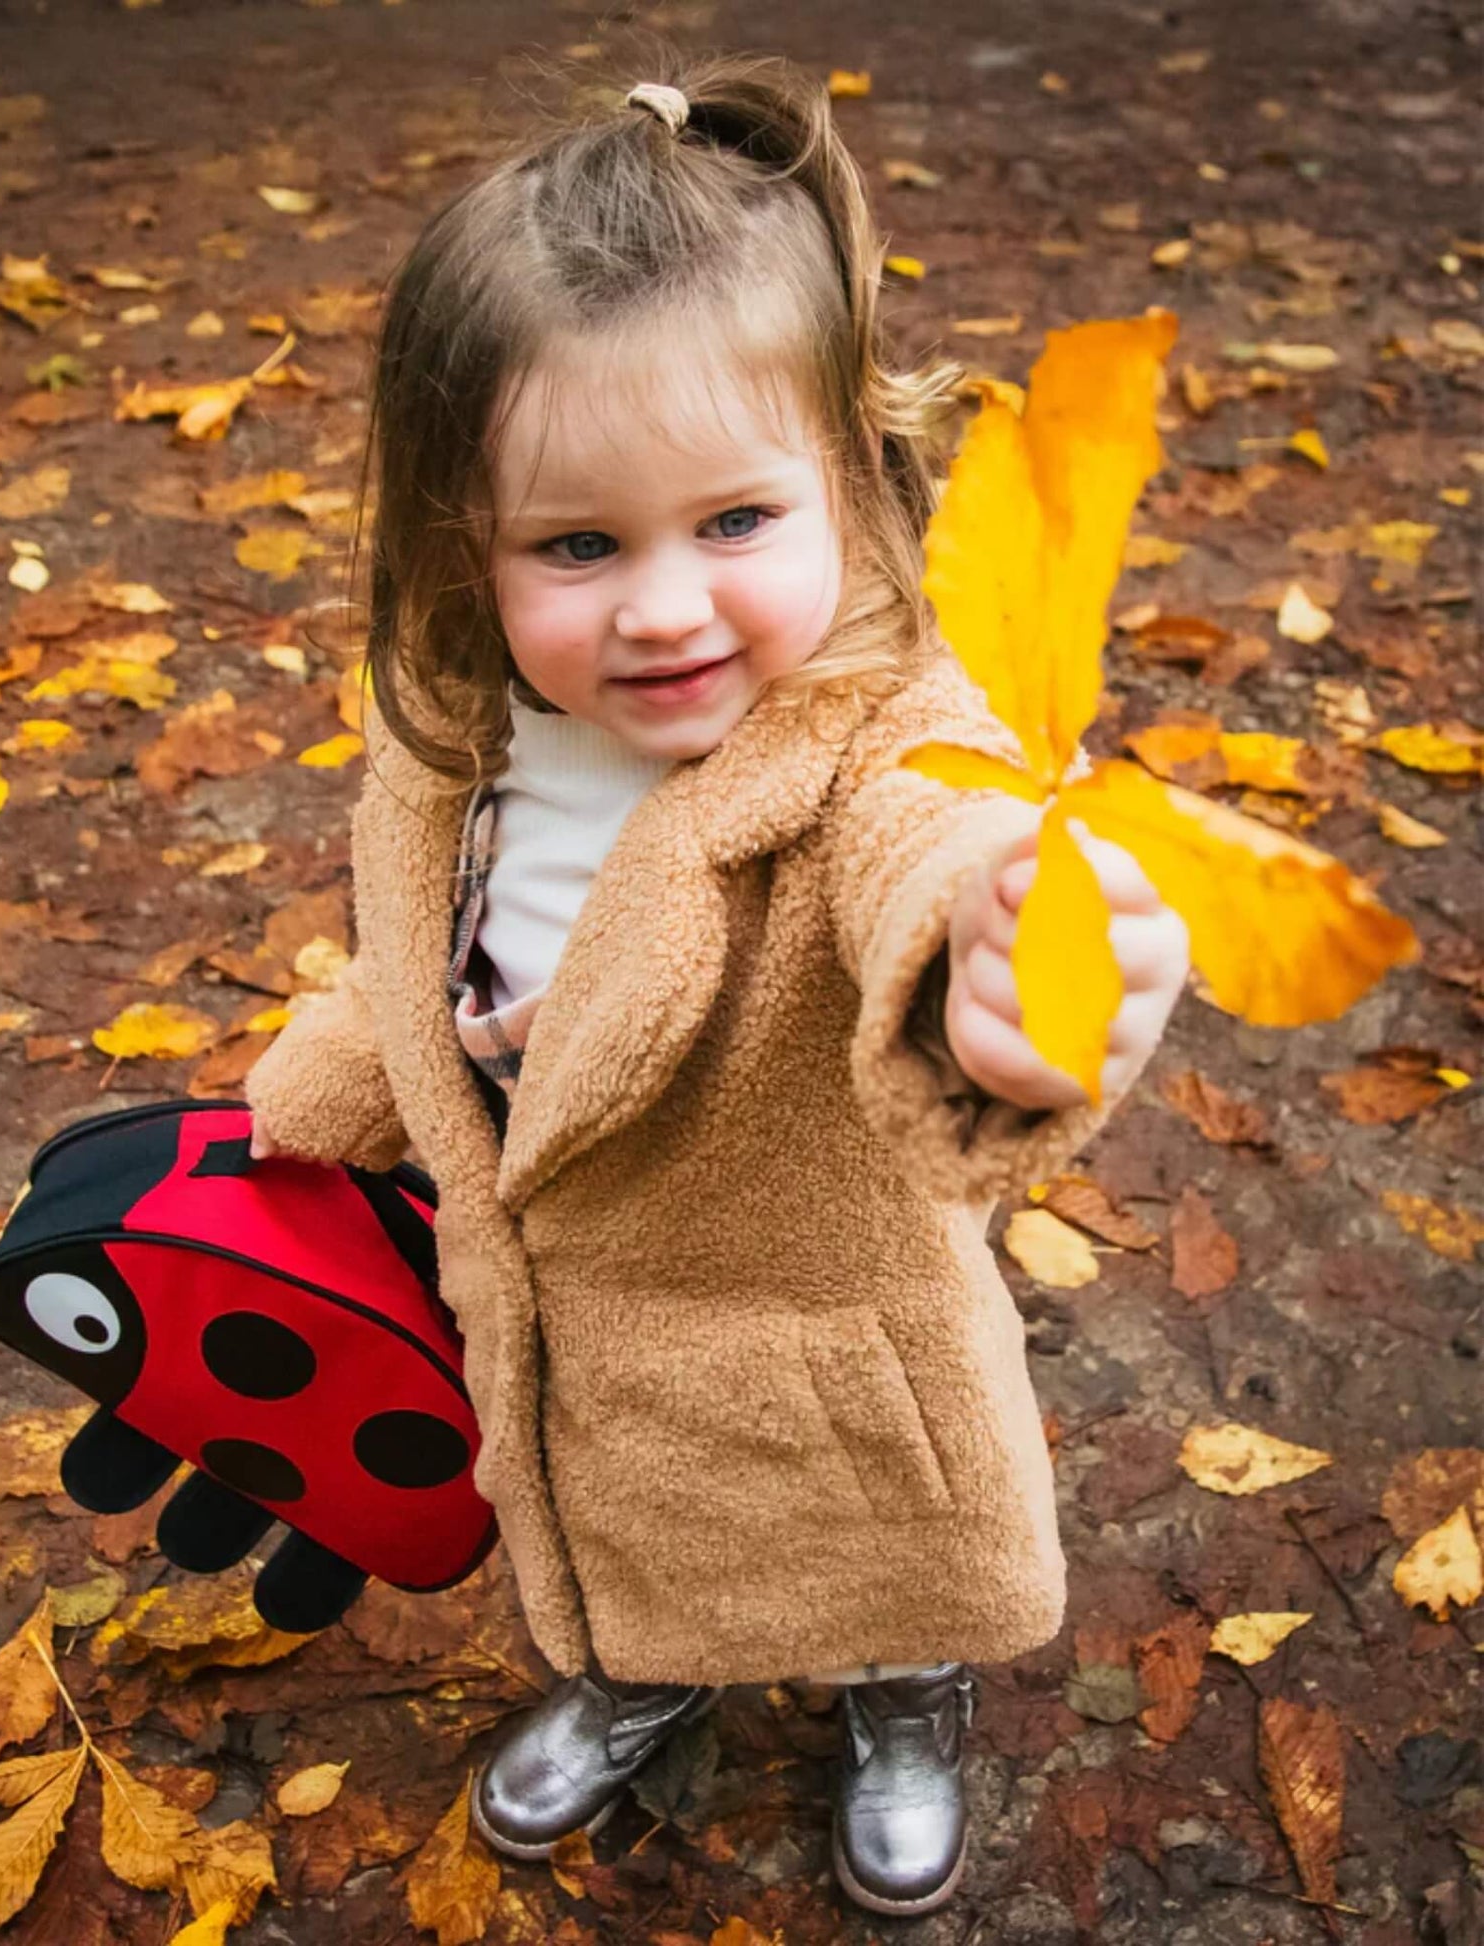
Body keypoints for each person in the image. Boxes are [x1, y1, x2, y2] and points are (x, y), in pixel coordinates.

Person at [242, 54, 1189, 1918]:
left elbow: (914, 858)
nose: (663, 607)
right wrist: (352, 1068)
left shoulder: (878, 737)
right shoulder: (460, 736)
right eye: (579, 545)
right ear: (470, 545)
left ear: (838, 470)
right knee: (627, 1516)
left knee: (880, 1554)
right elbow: (472, 959)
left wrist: (991, 966)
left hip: (834, 1342)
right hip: (588, 1329)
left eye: (733, 522)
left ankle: (904, 1696)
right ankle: (637, 1663)